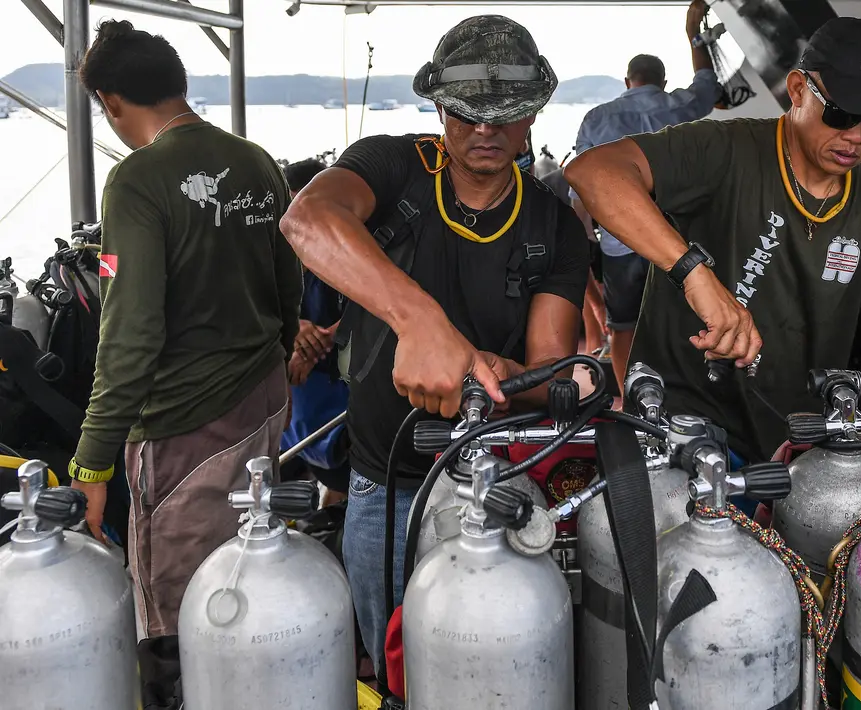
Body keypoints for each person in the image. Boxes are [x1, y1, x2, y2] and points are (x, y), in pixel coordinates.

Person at [280, 15, 589, 671]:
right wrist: (422, 324)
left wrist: (500, 373)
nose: (484, 130)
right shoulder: (392, 167)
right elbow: (307, 217)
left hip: (493, 482)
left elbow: (545, 373)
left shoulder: (552, 225)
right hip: (382, 482)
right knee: (388, 661)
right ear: (438, 106)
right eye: (466, 112)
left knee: (492, 661)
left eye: (504, 114)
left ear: (532, 113)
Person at [566, 17, 861, 465]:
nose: (857, 137)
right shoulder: (725, 149)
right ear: (797, 89)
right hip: (680, 425)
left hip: (797, 437)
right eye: (843, 114)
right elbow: (594, 172)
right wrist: (695, 276)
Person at [68, 16, 299, 668]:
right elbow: (289, 287)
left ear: (111, 103)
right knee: (247, 568)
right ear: (177, 84)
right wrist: (278, 356)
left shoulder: (139, 179)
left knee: (178, 613)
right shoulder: (254, 162)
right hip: (262, 400)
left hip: (182, 426)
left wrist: (92, 460)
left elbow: (130, 335)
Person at [570, 0, 723, 399]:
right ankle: (686, 401)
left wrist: (588, 242)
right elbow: (709, 82)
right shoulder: (682, 106)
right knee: (689, 324)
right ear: (663, 78)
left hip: (620, 243)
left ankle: (631, 407)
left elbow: (582, 193)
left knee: (622, 327)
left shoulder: (596, 118)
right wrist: (694, 35)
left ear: (627, 81)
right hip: (679, 245)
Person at [280, 157, 350, 504]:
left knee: (344, 476)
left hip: (344, 390)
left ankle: (330, 525)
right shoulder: (275, 253)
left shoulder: (355, 244)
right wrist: (293, 330)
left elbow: (376, 304)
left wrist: (320, 340)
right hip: (299, 394)